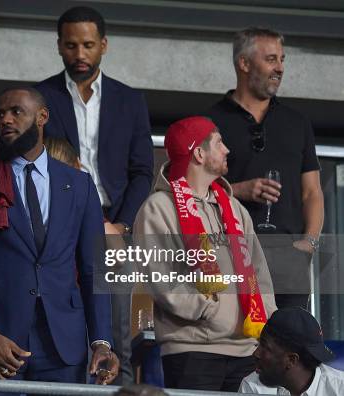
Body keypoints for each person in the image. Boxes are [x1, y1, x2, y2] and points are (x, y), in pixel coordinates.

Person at [0, 87, 119, 392]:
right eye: (0, 114)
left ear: (42, 117)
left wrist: (101, 341)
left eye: (16, 112)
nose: (6, 120)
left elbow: (94, 269)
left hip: (64, 344)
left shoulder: (79, 184)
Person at [35, 7, 154, 383]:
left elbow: (142, 172)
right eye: (71, 46)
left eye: (88, 45)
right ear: (59, 46)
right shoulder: (39, 97)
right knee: (60, 325)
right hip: (58, 224)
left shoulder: (130, 101)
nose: (80, 54)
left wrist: (119, 225)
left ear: (104, 45)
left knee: (117, 331)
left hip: (115, 224)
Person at [133, 116, 277, 391]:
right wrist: (207, 307)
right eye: (219, 142)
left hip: (247, 349)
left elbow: (259, 271)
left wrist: (267, 318)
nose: (227, 150)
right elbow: (159, 275)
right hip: (192, 350)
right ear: (199, 153)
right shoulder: (158, 208)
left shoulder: (235, 209)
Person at [206, 27, 323, 310]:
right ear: (244, 64)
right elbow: (192, 194)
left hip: (289, 258)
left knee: (289, 348)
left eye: (282, 60)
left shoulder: (297, 122)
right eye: (271, 59)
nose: (280, 68)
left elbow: (313, 192)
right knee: (240, 345)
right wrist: (238, 190)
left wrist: (308, 244)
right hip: (231, 253)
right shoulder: (209, 121)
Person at [240, 307, 344, 395]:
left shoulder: (339, 389)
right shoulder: (253, 387)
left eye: (265, 347)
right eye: (258, 344)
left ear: (291, 360)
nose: (256, 354)